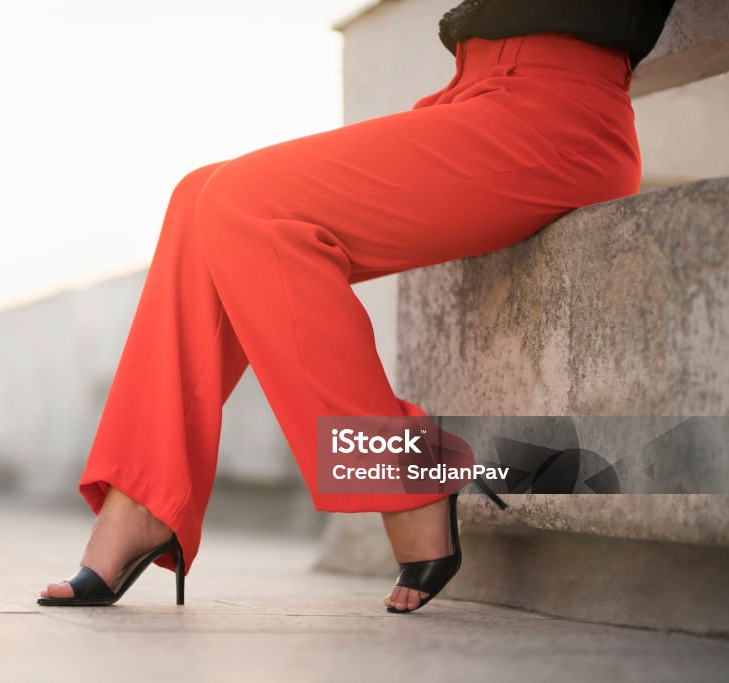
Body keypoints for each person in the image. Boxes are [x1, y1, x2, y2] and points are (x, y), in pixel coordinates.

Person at [38, 0, 678, 613]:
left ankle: (400, 471)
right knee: (197, 196)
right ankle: (142, 497)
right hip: (478, 93)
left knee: (244, 203)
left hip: (560, 116)